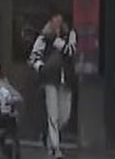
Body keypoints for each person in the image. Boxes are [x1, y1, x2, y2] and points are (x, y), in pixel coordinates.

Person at [29, 9, 78, 159]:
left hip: (66, 80)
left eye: (60, 20)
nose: (57, 22)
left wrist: (57, 41)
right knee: (53, 115)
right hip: (50, 80)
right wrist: (41, 68)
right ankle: (55, 149)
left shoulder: (70, 34)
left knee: (64, 115)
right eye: (54, 19)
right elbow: (33, 57)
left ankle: (48, 136)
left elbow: (71, 50)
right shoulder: (43, 38)